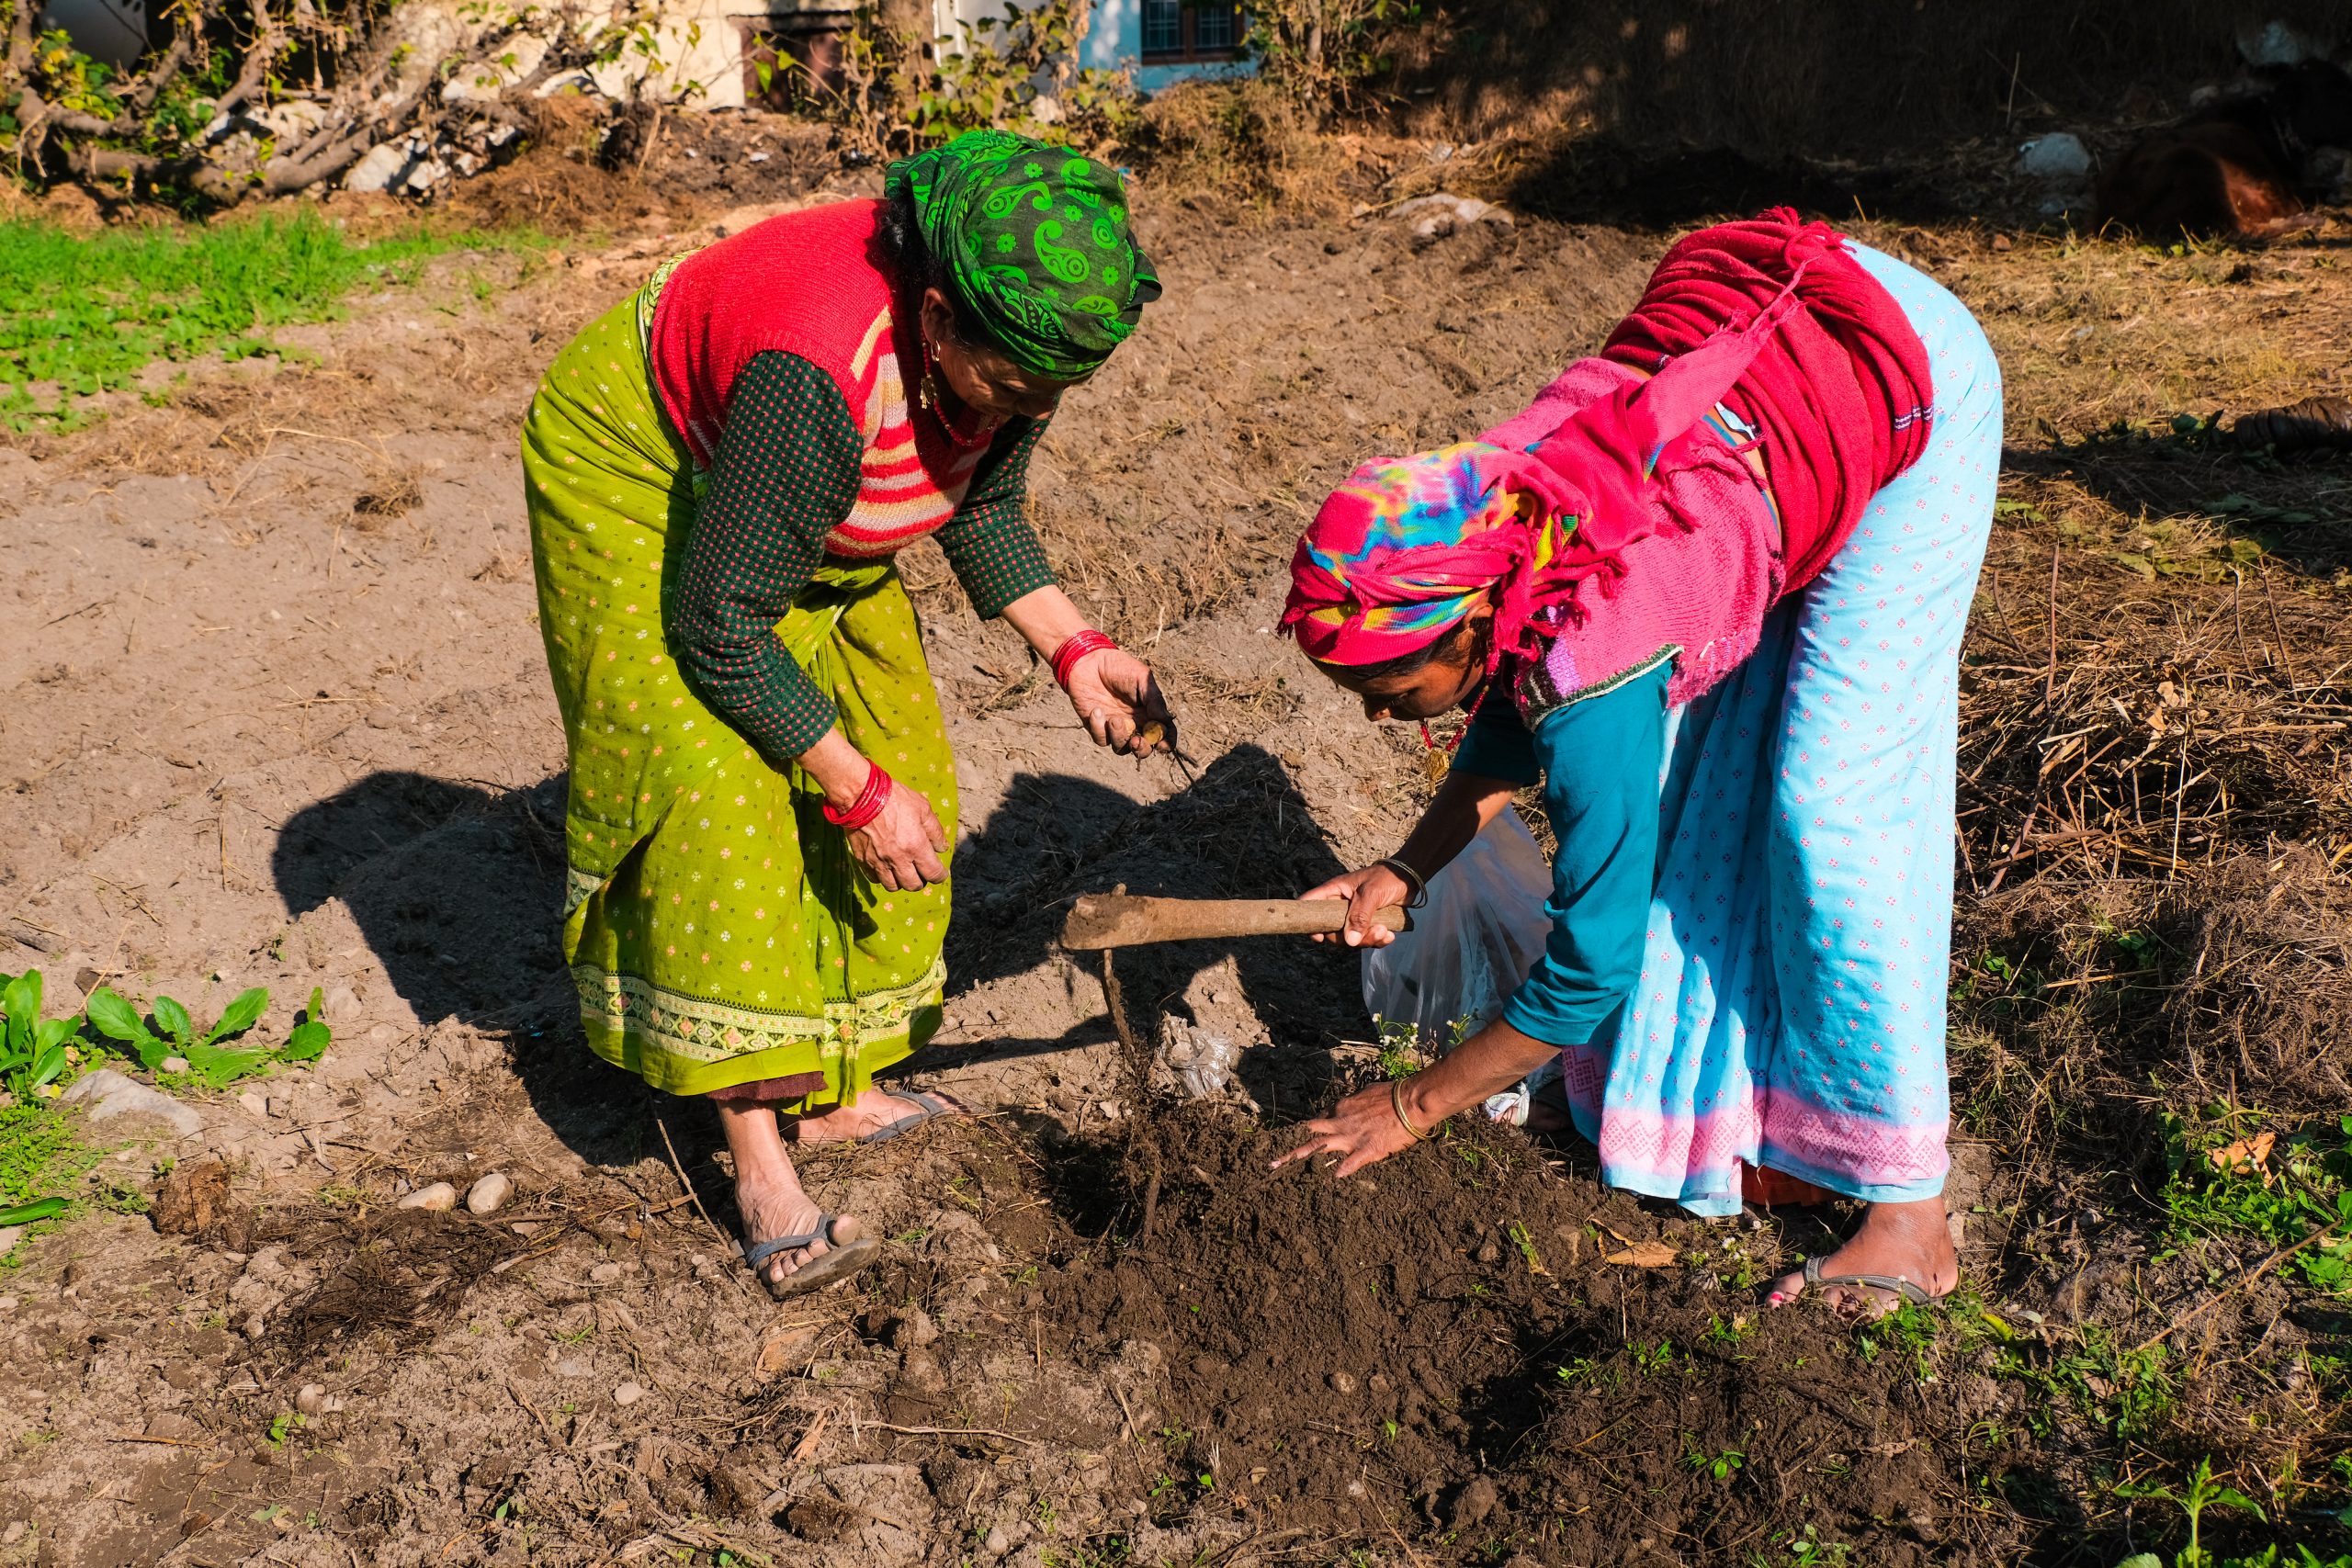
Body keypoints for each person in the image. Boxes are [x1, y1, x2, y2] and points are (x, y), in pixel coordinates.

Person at [1272, 211, 1999, 1315]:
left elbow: (1587, 965)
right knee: (1705, 767)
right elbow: (1525, 698)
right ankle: (1713, 1110)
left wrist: (1415, 1105)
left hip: (1901, 377)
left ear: (1468, 625)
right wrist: (1404, 872)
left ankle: (1909, 1216)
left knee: (1830, 810)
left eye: (1388, 693)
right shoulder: (1499, 531)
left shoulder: (1591, 648)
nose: (1381, 720)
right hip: (1766, 368)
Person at [523, 130, 1172, 1297]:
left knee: (896, 736)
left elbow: (976, 499)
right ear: (933, 319)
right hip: (641, 463)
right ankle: (759, 1159)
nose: (1027, 408)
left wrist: (1076, 649)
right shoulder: (814, 376)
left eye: (1051, 392)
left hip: (788, 475)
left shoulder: (1009, 345)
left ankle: (839, 1086)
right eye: (1012, 385)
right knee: (716, 790)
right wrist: (850, 788)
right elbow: (720, 625)